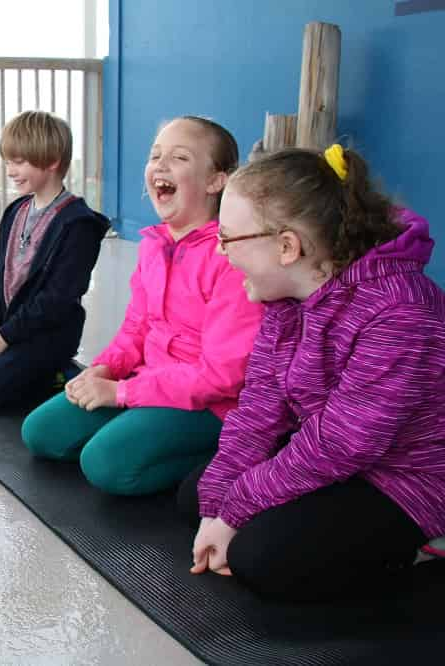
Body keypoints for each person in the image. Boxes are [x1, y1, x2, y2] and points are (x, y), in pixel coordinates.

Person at [180, 144, 445, 601]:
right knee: (198, 493)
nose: (219, 252)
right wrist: (220, 500)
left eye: (228, 238)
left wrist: (236, 512)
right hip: (339, 454)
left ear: (287, 246)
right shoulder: (284, 298)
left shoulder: (402, 313)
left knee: (260, 558)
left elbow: (340, 443)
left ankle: (433, 542)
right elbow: (260, 406)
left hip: (409, 479)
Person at [21, 116, 263, 496]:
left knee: (104, 464)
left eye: (180, 158)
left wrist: (121, 395)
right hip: (148, 382)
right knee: (41, 433)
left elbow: (222, 376)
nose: (161, 165)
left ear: (217, 181)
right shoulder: (154, 244)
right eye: (155, 156)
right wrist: (102, 370)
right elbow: (137, 327)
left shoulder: (229, 256)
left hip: (211, 407)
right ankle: (138, 428)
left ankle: (225, 454)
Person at [0, 111, 110, 409]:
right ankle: (15, 364)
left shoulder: (79, 225)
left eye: (19, 162)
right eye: (7, 162)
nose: (10, 171)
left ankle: (56, 372)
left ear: (52, 160)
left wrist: (4, 338)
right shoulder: (16, 211)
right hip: (8, 327)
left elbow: (57, 299)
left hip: (48, 334)